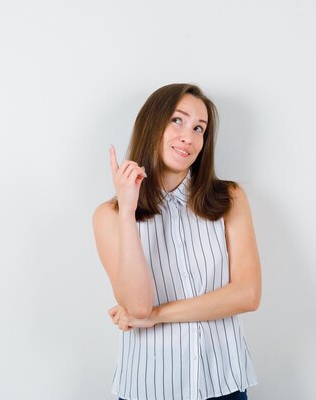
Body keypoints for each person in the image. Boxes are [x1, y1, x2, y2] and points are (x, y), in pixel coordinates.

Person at [93, 83, 261, 400]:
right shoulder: (110, 215)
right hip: (148, 387)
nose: (189, 136)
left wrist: (156, 315)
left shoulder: (229, 199)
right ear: (152, 124)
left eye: (200, 128)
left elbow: (247, 294)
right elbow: (138, 305)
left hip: (223, 383)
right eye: (177, 120)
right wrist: (128, 208)